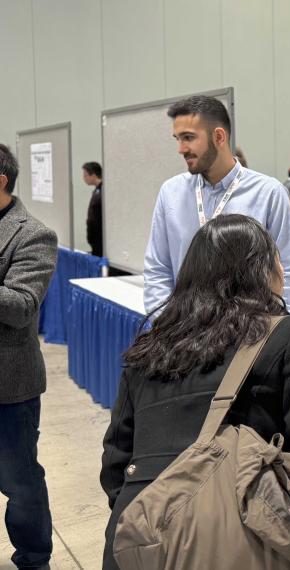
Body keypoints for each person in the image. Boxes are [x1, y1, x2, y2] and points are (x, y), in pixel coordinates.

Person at [101, 214, 290, 570]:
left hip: (137, 539)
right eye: (277, 258)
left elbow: (115, 461)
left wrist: (158, 520)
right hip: (239, 542)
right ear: (262, 271)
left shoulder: (149, 347)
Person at [143, 95, 290, 314]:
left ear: (219, 136)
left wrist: (275, 326)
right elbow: (158, 269)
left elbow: (289, 270)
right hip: (185, 329)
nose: (181, 149)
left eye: (188, 138)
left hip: (249, 330)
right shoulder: (170, 193)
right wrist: (165, 322)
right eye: (178, 139)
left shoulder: (269, 193)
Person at [0, 143, 58, 570]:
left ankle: (35, 559)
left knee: (19, 481)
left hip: (9, 386)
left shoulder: (33, 234)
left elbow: (22, 306)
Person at [81, 161, 103, 257]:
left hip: (100, 239)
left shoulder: (102, 192)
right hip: (95, 239)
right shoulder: (97, 191)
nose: (84, 178)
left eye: (85, 175)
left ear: (93, 175)